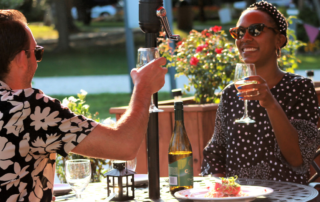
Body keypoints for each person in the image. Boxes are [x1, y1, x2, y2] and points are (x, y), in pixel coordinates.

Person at [0, 9, 167, 202]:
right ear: (21, 59)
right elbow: (124, 145)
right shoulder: (29, 108)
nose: (38, 62)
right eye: (38, 53)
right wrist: (144, 89)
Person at [201, 0, 319, 185]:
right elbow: (215, 154)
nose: (245, 38)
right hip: (239, 198)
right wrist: (220, 188)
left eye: (256, 30)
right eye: (239, 32)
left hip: (285, 197)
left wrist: (270, 103)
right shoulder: (231, 94)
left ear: (279, 39)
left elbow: (298, 159)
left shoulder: (299, 88)